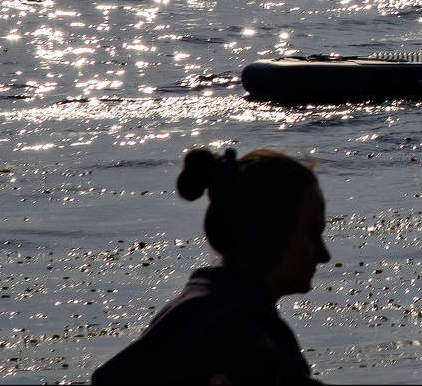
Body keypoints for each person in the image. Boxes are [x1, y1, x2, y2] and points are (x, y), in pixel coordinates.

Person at [92, 145, 330, 385]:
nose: (324, 255)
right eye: (312, 234)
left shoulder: (202, 304)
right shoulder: (246, 329)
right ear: (269, 234)